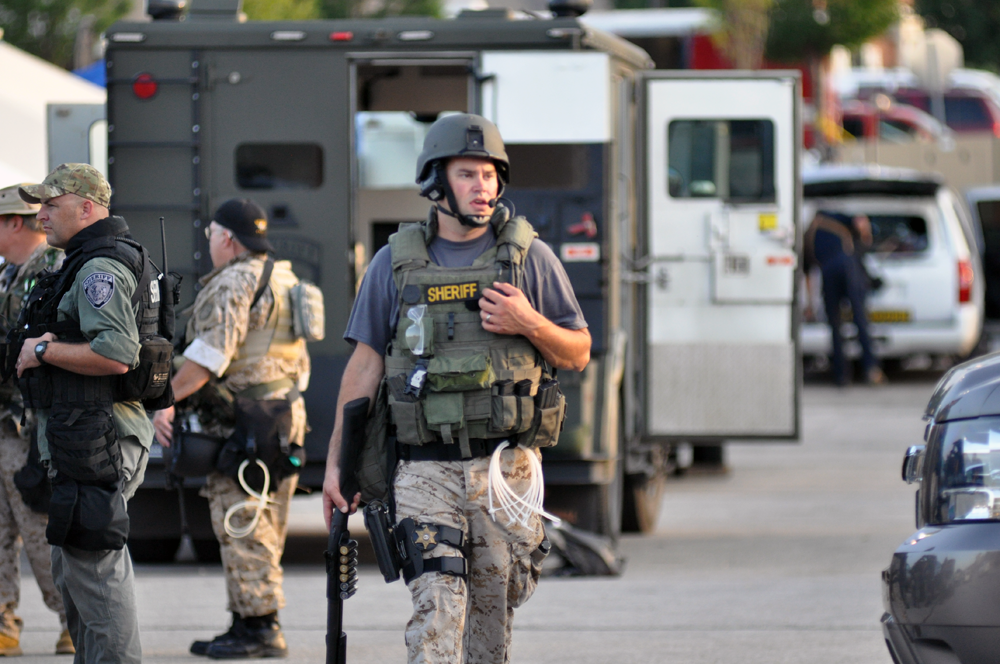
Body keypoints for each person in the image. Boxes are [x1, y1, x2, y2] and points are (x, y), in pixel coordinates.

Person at [323, 113, 591, 663]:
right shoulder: (393, 264)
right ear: (435, 181)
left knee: (490, 629)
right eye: (468, 174)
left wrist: (528, 322)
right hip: (424, 471)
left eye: (490, 175)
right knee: (436, 610)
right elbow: (364, 370)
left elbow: (578, 351)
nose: (482, 187)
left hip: (504, 472)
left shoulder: (529, 259)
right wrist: (336, 466)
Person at [13, 164, 160, 663]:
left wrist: (42, 351)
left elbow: (116, 354)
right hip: (82, 433)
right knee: (74, 573)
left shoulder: (100, 269)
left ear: (87, 208)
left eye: (51, 205)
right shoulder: (82, 261)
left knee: (95, 573)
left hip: (100, 436)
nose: (41, 215)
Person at [152, 198, 310, 660]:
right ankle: (248, 619)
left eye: (211, 236)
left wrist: (164, 401)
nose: (210, 245)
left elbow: (208, 358)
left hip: (244, 420)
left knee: (241, 520)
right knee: (265, 521)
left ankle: (259, 627)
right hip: (283, 412)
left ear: (226, 238)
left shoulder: (233, 281)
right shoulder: (285, 277)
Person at [0, 184, 73, 656]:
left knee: (38, 526)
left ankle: (72, 617)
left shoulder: (52, 270)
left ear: (12, 222)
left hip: (28, 423)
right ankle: (3, 618)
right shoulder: (7, 273)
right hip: (4, 419)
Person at [804, 210, 886, 386]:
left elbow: (808, 277)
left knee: (835, 326)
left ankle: (841, 376)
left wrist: (810, 305)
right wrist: (865, 239)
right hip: (848, 267)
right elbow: (860, 220)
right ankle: (871, 370)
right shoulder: (832, 216)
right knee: (860, 320)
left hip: (828, 272)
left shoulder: (807, 237)